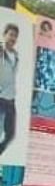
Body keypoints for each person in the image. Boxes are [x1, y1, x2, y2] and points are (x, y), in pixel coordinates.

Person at [0, 24, 18, 157]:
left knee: (11, 134)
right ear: (4, 34)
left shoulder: (16, 56)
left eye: (15, 36)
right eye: (10, 34)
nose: (13, 38)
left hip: (10, 99)